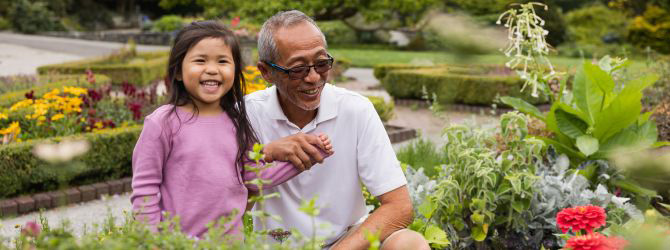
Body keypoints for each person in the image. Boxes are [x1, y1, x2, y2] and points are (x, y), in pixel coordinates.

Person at [245, 11, 430, 250]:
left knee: (409, 243)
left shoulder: (355, 109)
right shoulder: (248, 114)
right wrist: (267, 153)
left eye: (322, 63)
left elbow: (399, 206)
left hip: (345, 242)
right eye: (298, 69)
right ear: (266, 71)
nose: (313, 78)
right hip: (276, 245)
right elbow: (222, 201)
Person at [130, 20, 332, 238]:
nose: (212, 70)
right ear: (178, 71)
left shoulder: (237, 122)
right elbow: (145, 188)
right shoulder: (163, 123)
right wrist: (150, 238)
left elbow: (255, 177)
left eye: (223, 61)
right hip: (178, 242)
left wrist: (307, 155)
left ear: (235, 71)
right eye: (200, 61)